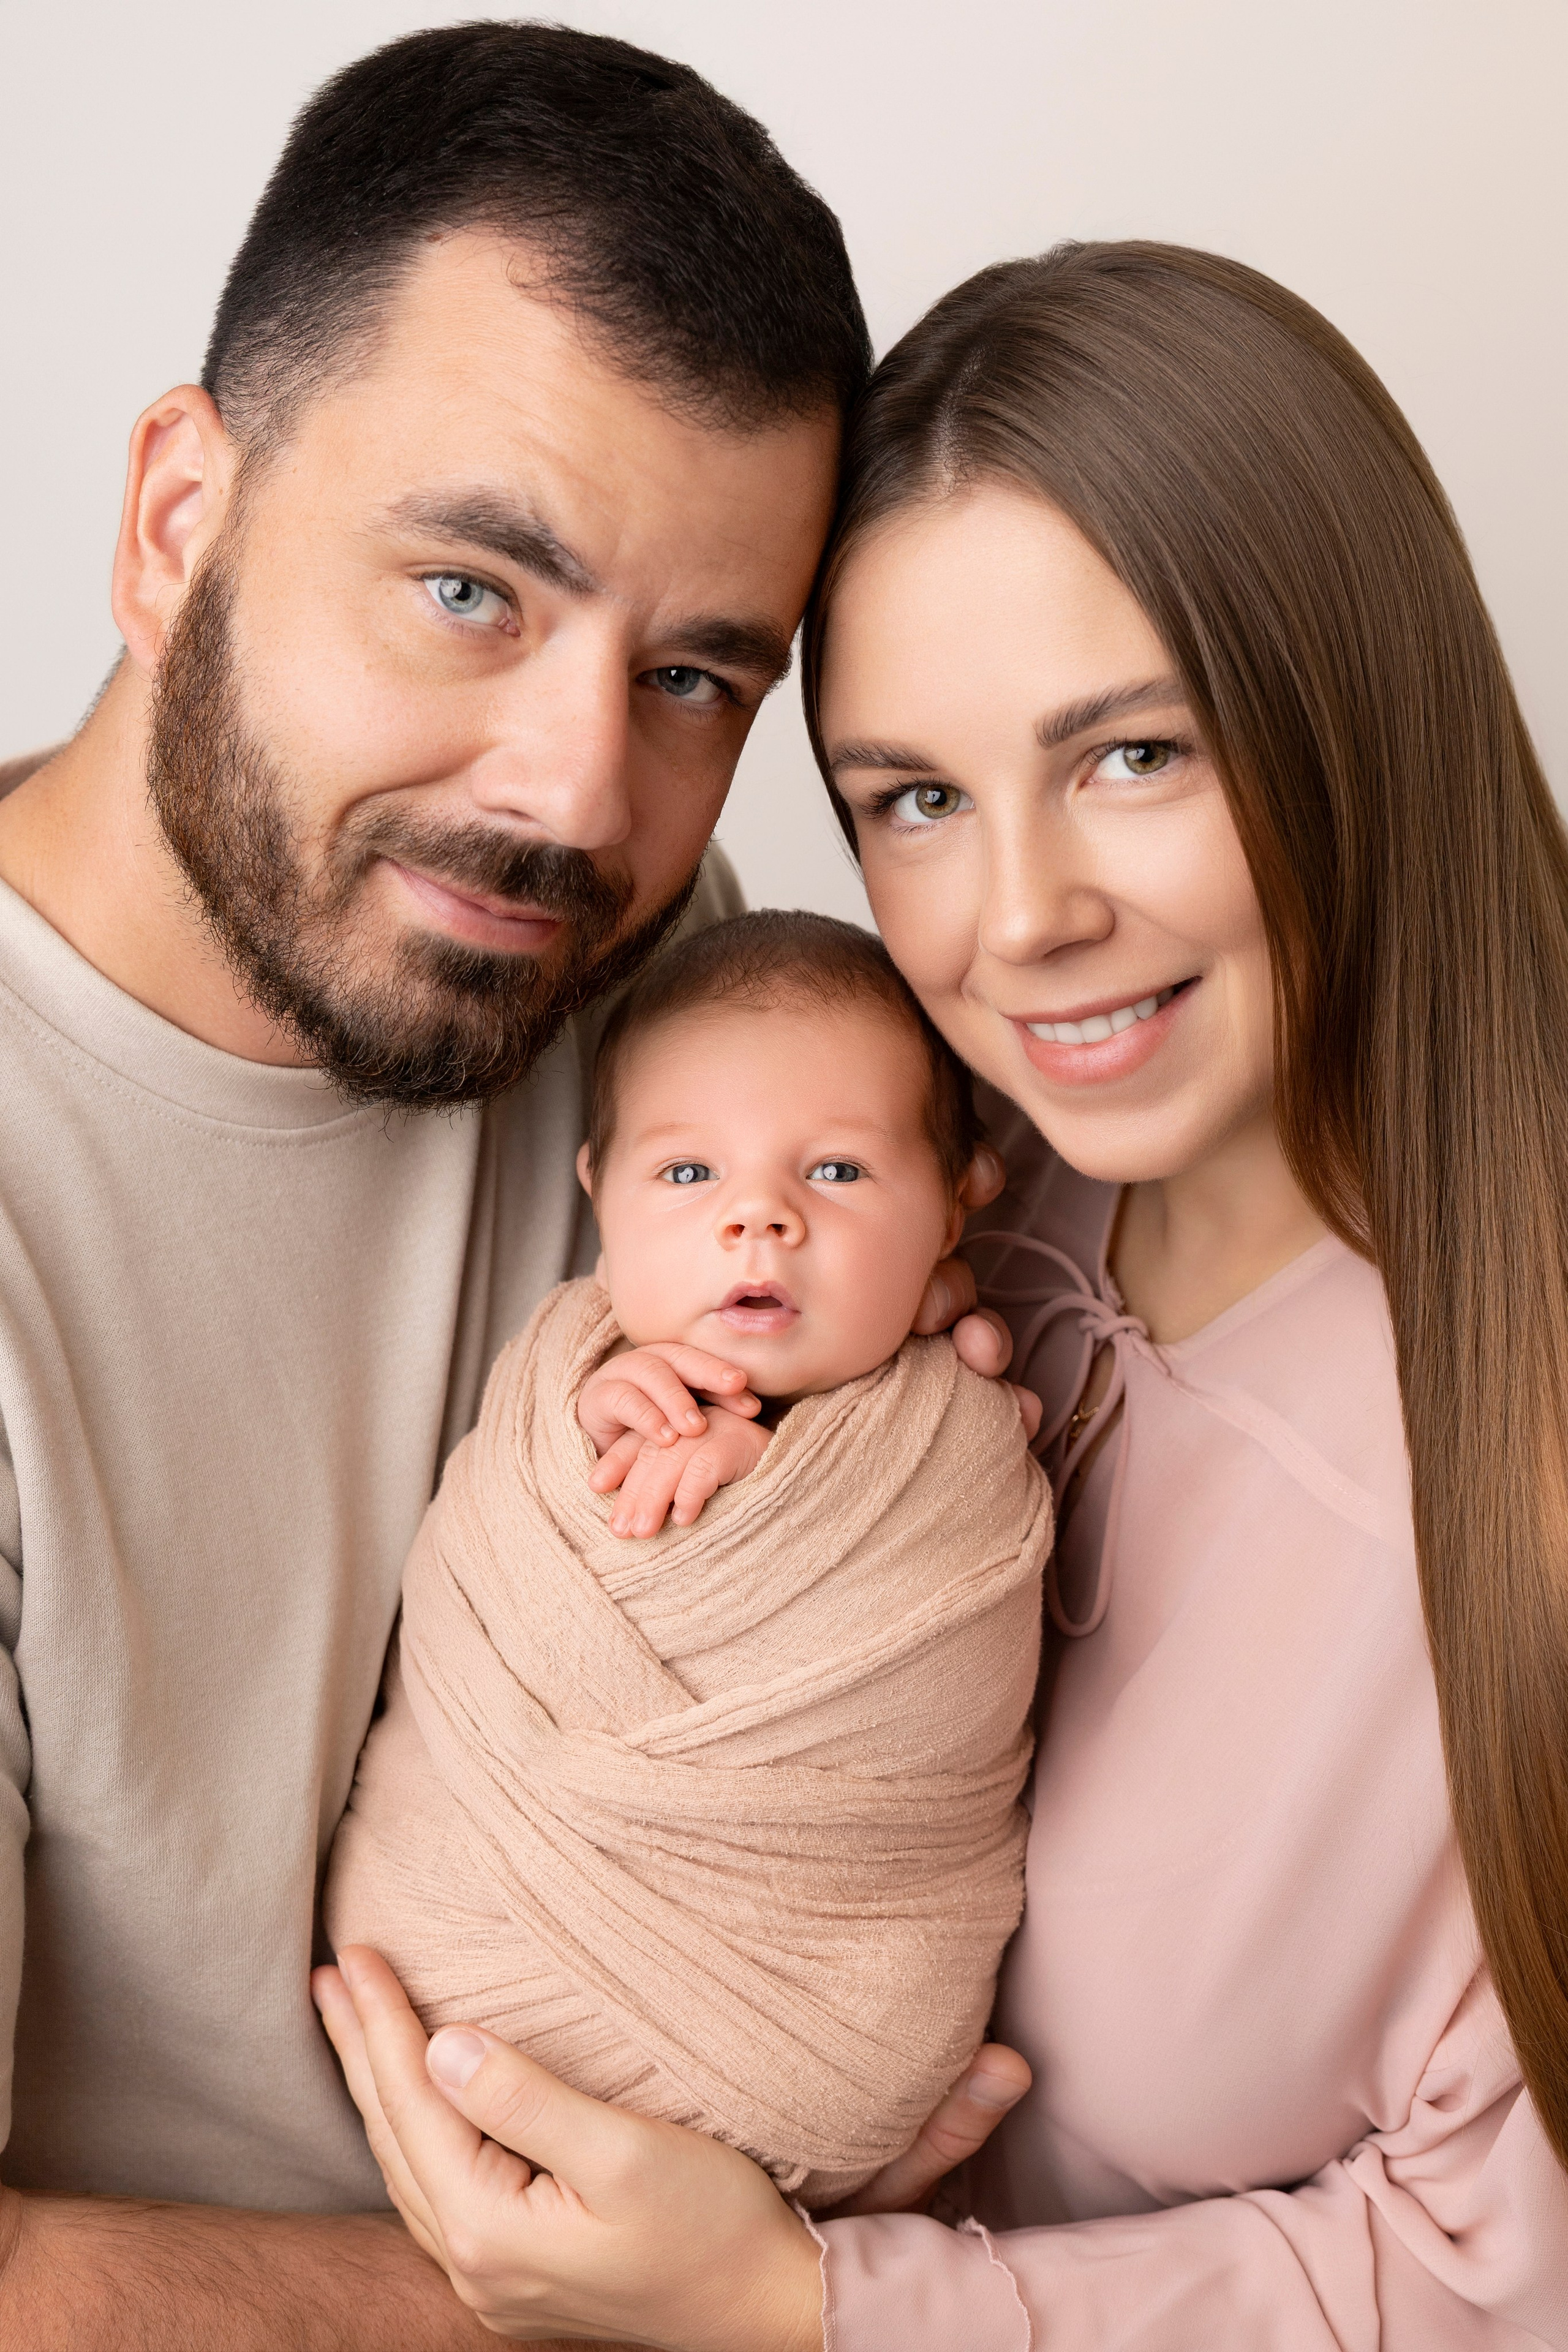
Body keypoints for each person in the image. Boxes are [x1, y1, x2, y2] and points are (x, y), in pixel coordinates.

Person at [321, 241, 1568, 2348]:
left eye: (1133, 756)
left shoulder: (1493, 1473)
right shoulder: (915, 1227)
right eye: (915, 798)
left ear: (1359, 702)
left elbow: (1505, 2277)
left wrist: (802, 2303)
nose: (1019, 917)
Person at [0, 23, 1031, 2350]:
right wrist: (701, 2299)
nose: (577, 793)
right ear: (179, 523)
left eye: (695, 677)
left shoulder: (643, 970)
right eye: (473, 589)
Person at [325, 910, 1050, 2210]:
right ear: (596, 1191)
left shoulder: (953, 1446)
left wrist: (773, 1487)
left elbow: (932, 1663)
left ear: (955, 1205)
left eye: (837, 1171)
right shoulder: (553, 1388)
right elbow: (486, 1582)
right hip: (464, 1959)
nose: (757, 1218)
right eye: (687, 1174)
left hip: (812, 2021)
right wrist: (594, 1439)